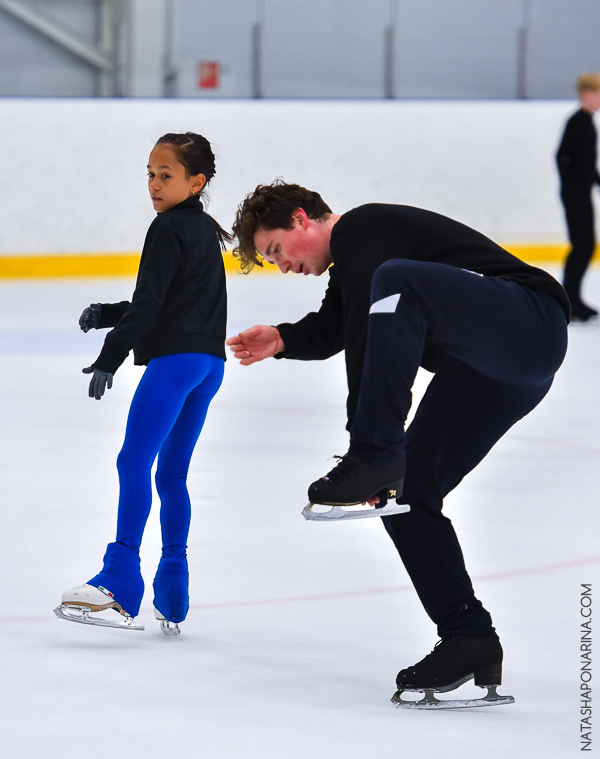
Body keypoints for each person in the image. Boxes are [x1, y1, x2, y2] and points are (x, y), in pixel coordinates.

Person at [226, 180, 569, 702]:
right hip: (490, 375)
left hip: (530, 320)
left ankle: (375, 452)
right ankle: (467, 635)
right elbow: (343, 325)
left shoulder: (363, 229)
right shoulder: (360, 270)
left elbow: (372, 319)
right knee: (407, 496)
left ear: (301, 219)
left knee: (396, 282)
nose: (281, 266)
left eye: (275, 250)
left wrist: (366, 446)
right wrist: (284, 338)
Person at [55, 132, 230, 634]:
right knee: (171, 475)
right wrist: (110, 314)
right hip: (207, 367)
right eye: (150, 174)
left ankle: (120, 580)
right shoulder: (199, 230)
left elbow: (153, 305)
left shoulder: (167, 229)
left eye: (165, 175)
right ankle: (173, 588)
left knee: (133, 460)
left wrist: (111, 356)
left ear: (196, 182)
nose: (153, 184)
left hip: (175, 365)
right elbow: (170, 302)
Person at [556, 72, 600, 323]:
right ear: (586, 94)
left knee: (586, 245)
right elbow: (562, 157)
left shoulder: (587, 122)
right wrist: (571, 190)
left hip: (581, 193)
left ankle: (575, 296)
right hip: (575, 196)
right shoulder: (577, 122)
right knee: (582, 246)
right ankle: (569, 297)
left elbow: (586, 163)